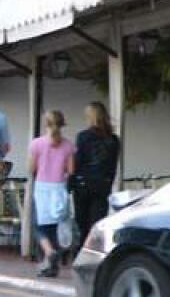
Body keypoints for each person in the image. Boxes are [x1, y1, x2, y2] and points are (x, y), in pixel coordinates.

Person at [29, 110, 74, 277]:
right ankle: (52, 267)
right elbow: (71, 170)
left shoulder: (36, 144)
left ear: (45, 124)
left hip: (41, 187)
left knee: (38, 225)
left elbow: (31, 169)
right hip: (59, 187)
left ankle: (49, 252)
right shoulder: (68, 145)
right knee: (55, 226)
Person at [71, 101, 120, 254]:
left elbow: (78, 161)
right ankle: (94, 253)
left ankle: (81, 252)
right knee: (97, 223)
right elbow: (113, 165)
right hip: (102, 184)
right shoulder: (113, 140)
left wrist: (71, 181)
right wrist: (108, 183)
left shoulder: (83, 136)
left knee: (82, 222)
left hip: (83, 183)